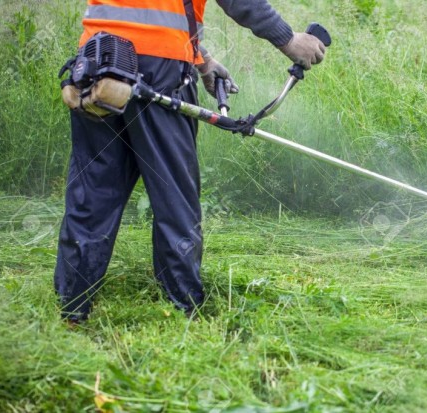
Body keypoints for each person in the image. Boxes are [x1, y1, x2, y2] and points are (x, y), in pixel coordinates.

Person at [54, 0, 326, 323]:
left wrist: (202, 59)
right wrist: (289, 40)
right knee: (175, 198)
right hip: (157, 67)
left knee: (93, 192)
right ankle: (182, 312)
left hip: (97, 61)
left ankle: (72, 309)